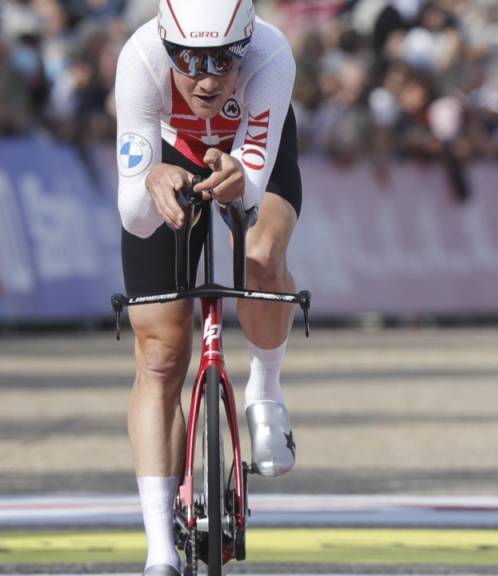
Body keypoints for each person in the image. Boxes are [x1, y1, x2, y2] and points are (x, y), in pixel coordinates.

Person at [114, 1, 301, 574]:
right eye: (189, 59)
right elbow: (134, 215)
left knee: (260, 253)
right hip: (168, 149)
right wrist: (153, 177)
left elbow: (247, 191)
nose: (206, 76)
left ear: (246, 43)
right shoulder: (141, 57)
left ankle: (264, 391)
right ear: (166, 46)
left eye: (223, 58)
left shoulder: (271, 54)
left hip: (250, 149)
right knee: (162, 356)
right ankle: (158, 551)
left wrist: (233, 180)